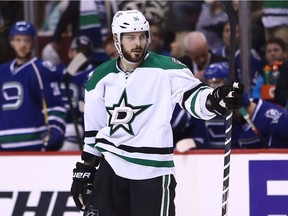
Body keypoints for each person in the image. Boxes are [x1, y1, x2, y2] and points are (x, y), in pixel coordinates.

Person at [70, 10, 244, 215]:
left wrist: (216, 99)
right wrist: (86, 169)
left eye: (142, 36)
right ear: (117, 39)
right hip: (111, 169)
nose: (138, 43)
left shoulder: (168, 69)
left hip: (152, 173)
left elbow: (194, 98)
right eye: (131, 37)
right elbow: (94, 131)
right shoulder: (100, 76)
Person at [0, 21, 66, 151]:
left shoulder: (42, 69)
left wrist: (55, 130)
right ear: (11, 42)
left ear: (33, 42)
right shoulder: (2, 71)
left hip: (34, 143)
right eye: (18, 40)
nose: (22, 45)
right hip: (4, 143)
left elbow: (55, 105)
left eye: (27, 40)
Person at [58, 35, 95, 151]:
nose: (81, 56)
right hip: (58, 123)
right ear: (70, 53)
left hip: (78, 126)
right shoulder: (59, 72)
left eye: (85, 53)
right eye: (78, 51)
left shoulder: (93, 74)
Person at [251, 37, 288, 105]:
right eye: (269, 51)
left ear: (284, 53)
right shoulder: (264, 74)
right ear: (265, 55)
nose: (272, 54)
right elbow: (255, 97)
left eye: (276, 50)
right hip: (267, 110)